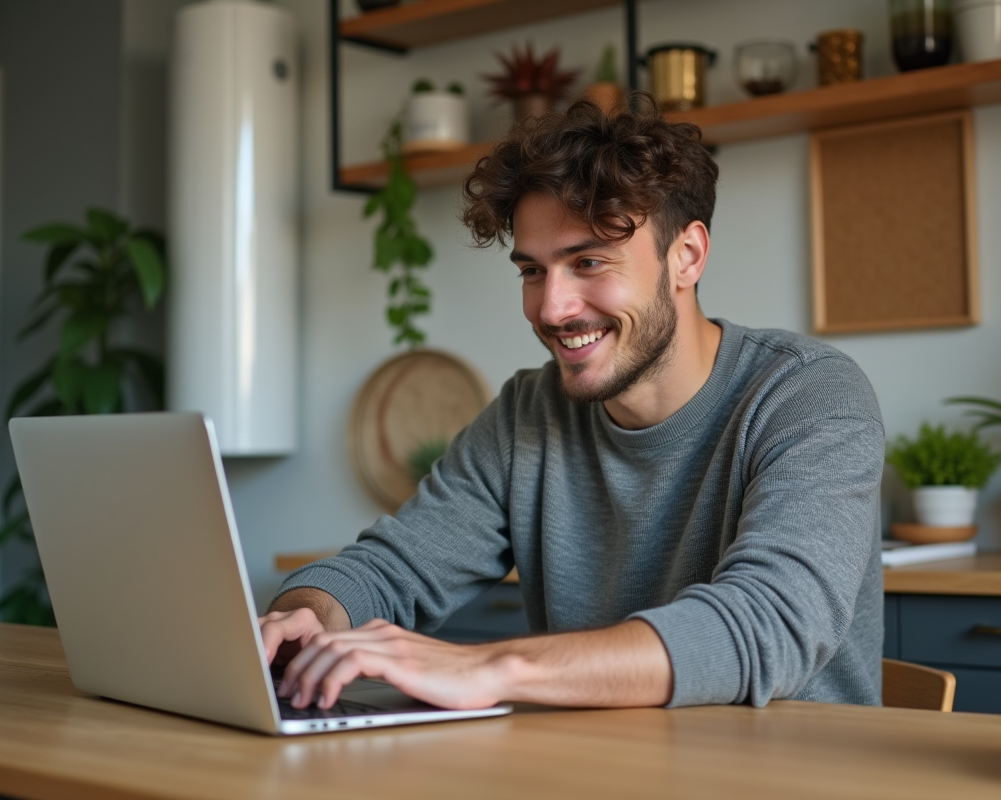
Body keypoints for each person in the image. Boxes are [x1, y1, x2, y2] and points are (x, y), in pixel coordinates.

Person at [261, 96, 885, 714]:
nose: (552, 309)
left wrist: (494, 666)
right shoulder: (527, 414)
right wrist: (306, 615)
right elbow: (394, 568)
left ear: (687, 257)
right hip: (600, 762)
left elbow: (768, 622)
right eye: (532, 271)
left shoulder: (807, 395)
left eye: (588, 262)